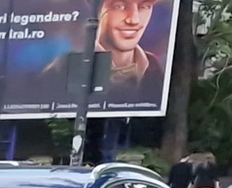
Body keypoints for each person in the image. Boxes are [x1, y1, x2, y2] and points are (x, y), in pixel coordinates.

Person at [38, 0, 166, 108]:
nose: (134, 20)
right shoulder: (65, 67)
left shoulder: (156, 70)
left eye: (145, 6)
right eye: (119, 6)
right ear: (98, 11)